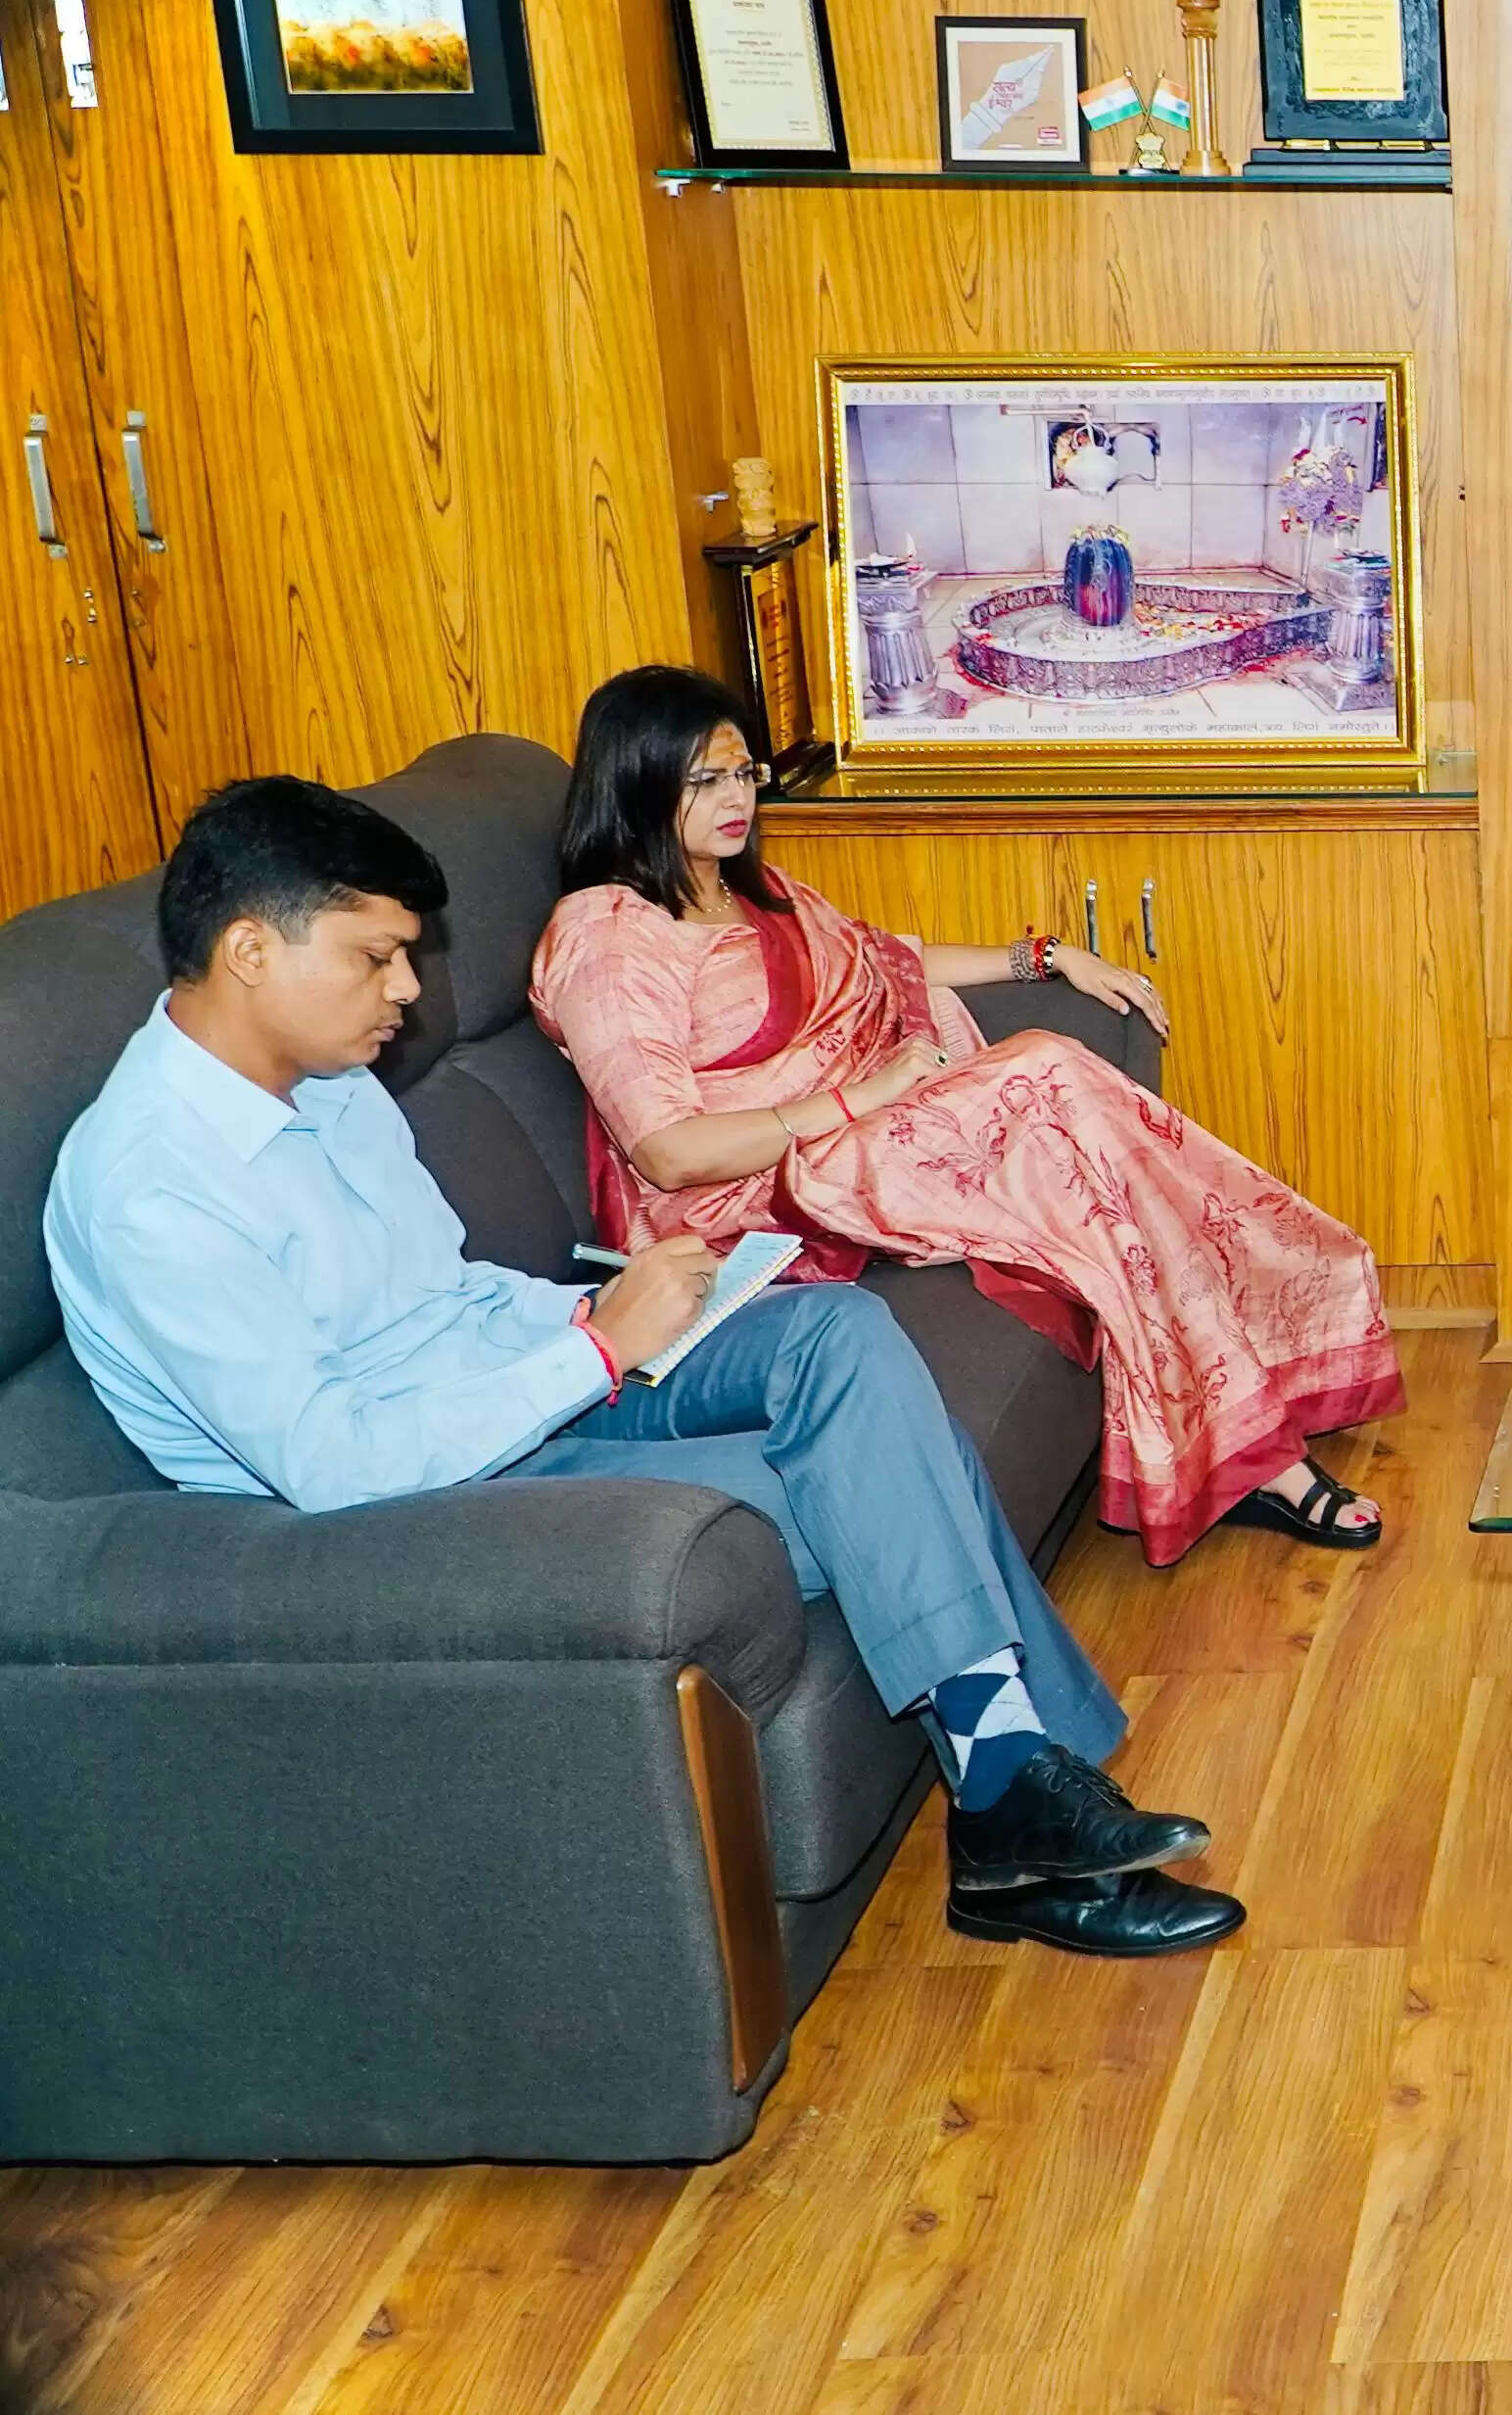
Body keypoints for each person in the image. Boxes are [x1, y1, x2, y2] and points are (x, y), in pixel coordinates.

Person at [45, 777, 1238, 1956]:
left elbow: (443, 1293)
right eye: (376, 957)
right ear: (251, 950)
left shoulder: (332, 1081)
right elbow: (335, 1460)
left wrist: (614, 1307)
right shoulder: (154, 1187)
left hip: (521, 1376)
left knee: (838, 1335)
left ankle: (1010, 1796)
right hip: (420, 1492)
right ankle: (1011, 1805)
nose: (406, 989)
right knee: (880, 1480)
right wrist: (597, 1348)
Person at [531, 665, 1401, 1566]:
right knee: (1047, 1081)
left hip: (861, 1133)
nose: (737, 797)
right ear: (637, 780)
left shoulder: (739, 888)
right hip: (754, 1190)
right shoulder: (606, 936)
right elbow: (668, 1151)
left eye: (744, 772)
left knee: (1086, 1162)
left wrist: (1043, 956)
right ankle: (1260, 1427)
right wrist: (861, 1097)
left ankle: (1246, 1418)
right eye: (705, 778)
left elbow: (882, 961)